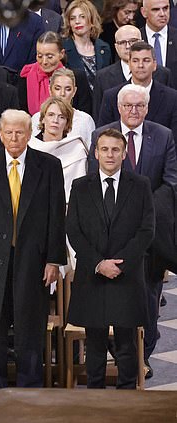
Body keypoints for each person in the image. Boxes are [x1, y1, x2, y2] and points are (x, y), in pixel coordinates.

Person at [0, 109, 66, 413]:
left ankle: (29, 397)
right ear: (0, 133)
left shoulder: (48, 166)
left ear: (29, 131)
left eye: (20, 132)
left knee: (29, 331)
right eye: (8, 132)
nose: (14, 138)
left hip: (33, 263)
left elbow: (56, 216)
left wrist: (54, 260)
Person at [89, 83, 177, 377]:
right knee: (111, 295)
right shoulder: (100, 136)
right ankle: (117, 354)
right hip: (110, 232)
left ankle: (145, 355)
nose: (134, 110)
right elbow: (93, 181)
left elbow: (171, 182)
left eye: (140, 105)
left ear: (147, 108)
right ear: (118, 107)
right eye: (128, 105)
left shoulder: (163, 136)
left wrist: (141, 207)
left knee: (148, 296)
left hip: (149, 234)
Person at [67, 128, 155, 389]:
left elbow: (146, 230)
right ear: (95, 153)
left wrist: (120, 264)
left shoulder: (140, 185)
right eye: (104, 149)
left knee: (126, 345)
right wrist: (98, 263)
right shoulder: (80, 186)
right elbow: (74, 230)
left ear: (124, 153)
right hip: (92, 277)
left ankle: (126, 398)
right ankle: (96, 398)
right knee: (94, 344)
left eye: (115, 149)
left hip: (126, 277)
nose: (109, 154)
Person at [93, 25, 172, 120]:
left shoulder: (163, 74)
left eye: (133, 41)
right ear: (116, 47)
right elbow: (99, 118)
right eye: (122, 42)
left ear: (142, 42)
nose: (128, 46)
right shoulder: (103, 77)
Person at [97, 41, 177, 134]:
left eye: (146, 60)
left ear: (155, 65)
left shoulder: (172, 97)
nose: (140, 65)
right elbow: (103, 135)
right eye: (135, 61)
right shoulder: (111, 96)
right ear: (129, 65)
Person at [29, 96, 88, 203]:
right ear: (43, 118)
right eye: (51, 115)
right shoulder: (30, 146)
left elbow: (79, 189)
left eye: (61, 117)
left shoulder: (76, 148)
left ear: (67, 123)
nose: (55, 120)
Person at [18, 31, 93, 116]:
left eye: (49, 57)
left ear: (61, 54)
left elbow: (85, 112)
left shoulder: (77, 77)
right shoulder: (26, 76)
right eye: (40, 56)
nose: (44, 61)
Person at [31, 68, 95, 149]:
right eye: (57, 88)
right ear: (50, 89)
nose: (62, 93)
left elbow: (90, 153)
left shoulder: (85, 120)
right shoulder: (37, 118)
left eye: (68, 89)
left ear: (74, 91)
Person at [61, 0, 112, 90]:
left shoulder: (104, 48)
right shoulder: (63, 49)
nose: (77, 21)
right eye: (72, 18)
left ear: (91, 20)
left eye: (82, 17)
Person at [140, 0, 177, 87]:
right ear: (144, 12)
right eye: (156, 9)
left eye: (165, 8)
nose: (162, 14)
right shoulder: (135, 39)